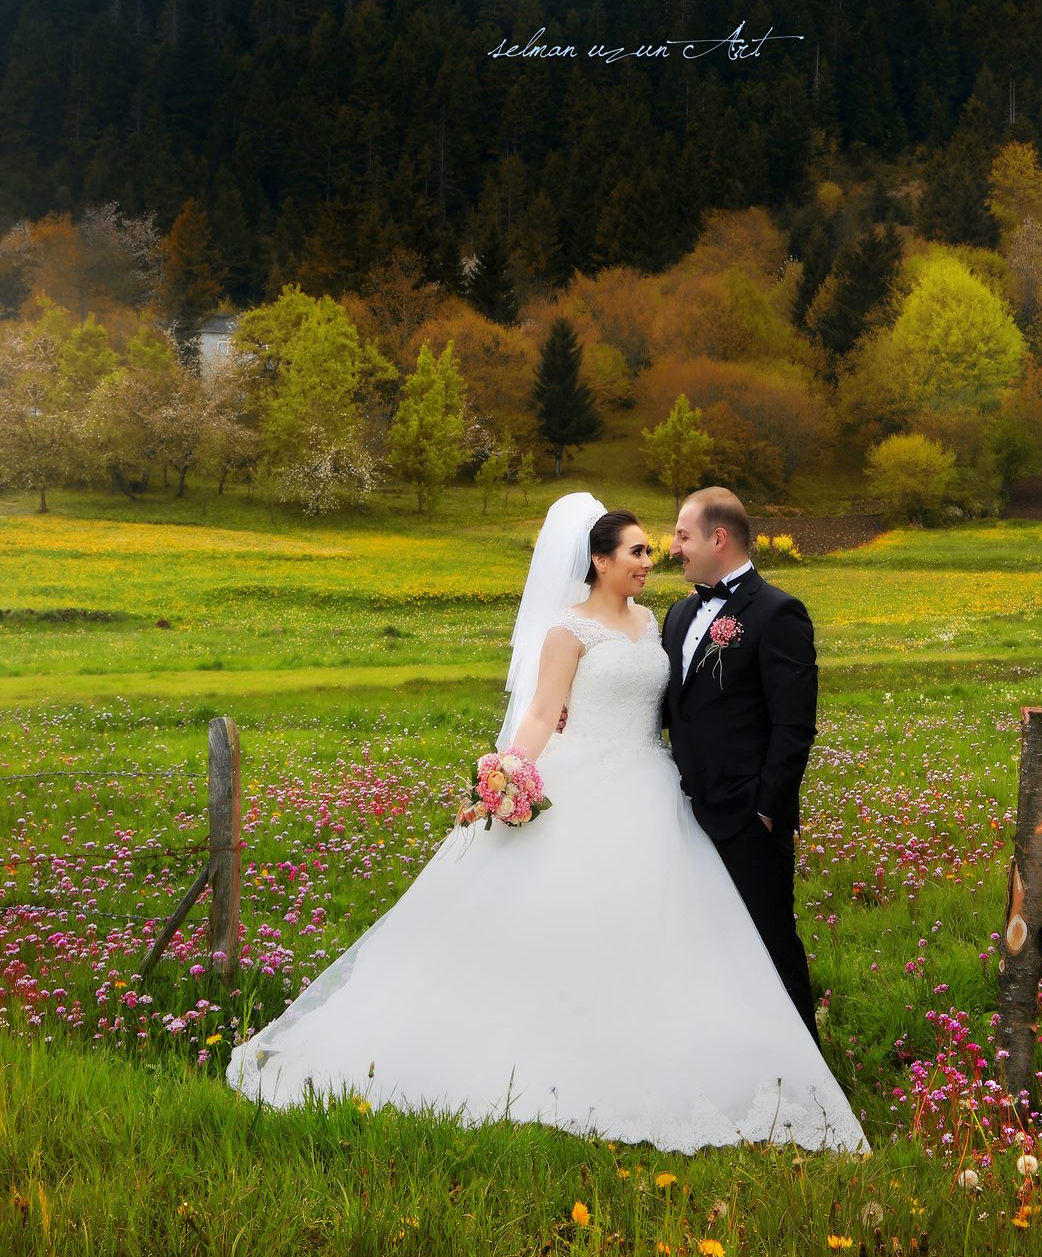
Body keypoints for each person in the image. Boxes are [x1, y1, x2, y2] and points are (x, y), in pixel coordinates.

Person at [227, 491, 867, 1154]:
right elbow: (541, 713)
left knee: (702, 929)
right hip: (591, 779)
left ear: (718, 540)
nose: (655, 557)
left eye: (664, 543)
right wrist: (507, 774)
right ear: (599, 560)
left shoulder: (665, 620)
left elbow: (712, 708)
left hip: (660, 788)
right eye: (639, 550)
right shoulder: (581, 628)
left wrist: (763, 801)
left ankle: (777, 1063)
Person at [663, 487, 821, 1042]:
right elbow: (672, 705)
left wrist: (766, 809)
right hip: (683, 813)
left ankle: (805, 1070)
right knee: (704, 943)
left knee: (770, 942)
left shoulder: (778, 613)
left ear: (718, 538)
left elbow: (794, 725)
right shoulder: (679, 614)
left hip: (748, 816)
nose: (673, 547)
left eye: (682, 535)